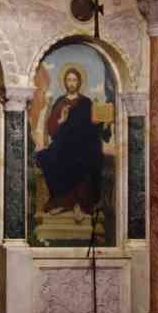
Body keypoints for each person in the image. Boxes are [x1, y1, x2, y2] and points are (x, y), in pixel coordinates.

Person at [35, 66, 110, 217]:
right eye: (69, 80)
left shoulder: (87, 102)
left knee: (86, 158)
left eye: (74, 80)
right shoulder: (60, 102)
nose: (71, 83)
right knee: (47, 158)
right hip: (63, 144)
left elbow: (94, 127)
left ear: (79, 82)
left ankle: (80, 204)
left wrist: (101, 123)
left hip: (83, 144)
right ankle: (62, 202)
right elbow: (51, 129)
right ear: (65, 82)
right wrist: (61, 120)